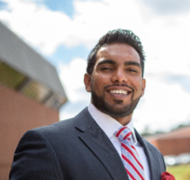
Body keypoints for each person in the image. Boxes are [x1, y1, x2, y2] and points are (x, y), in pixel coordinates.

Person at [9, 29, 166, 180]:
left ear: (143, 86)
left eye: (131, 69)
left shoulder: (155, 156)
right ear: (87, 82)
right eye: (107, 68)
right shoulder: (46, 145)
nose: (120, 77)